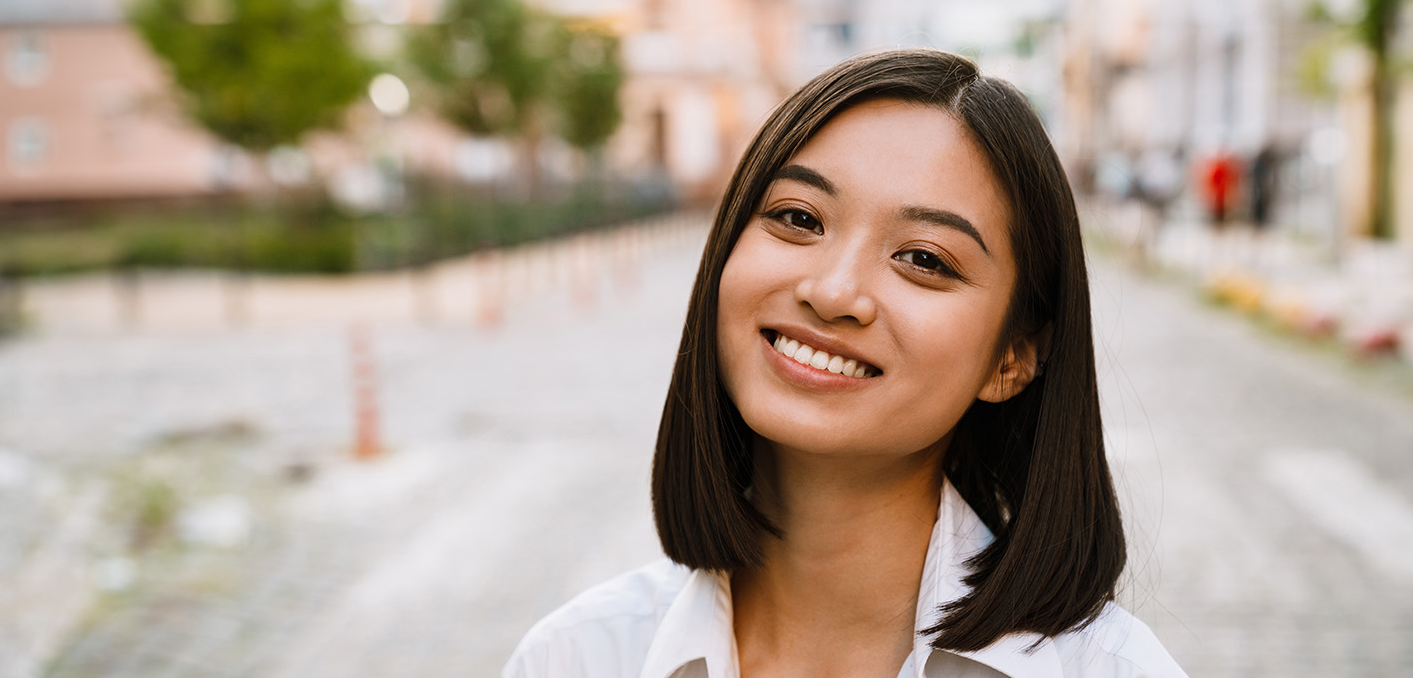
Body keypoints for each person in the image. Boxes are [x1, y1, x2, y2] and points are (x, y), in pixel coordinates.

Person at [502, 50, 1187, 677]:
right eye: (799, 218)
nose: (833, 293)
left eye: (924, 259)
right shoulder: (579, 657)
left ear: (1012, 358)